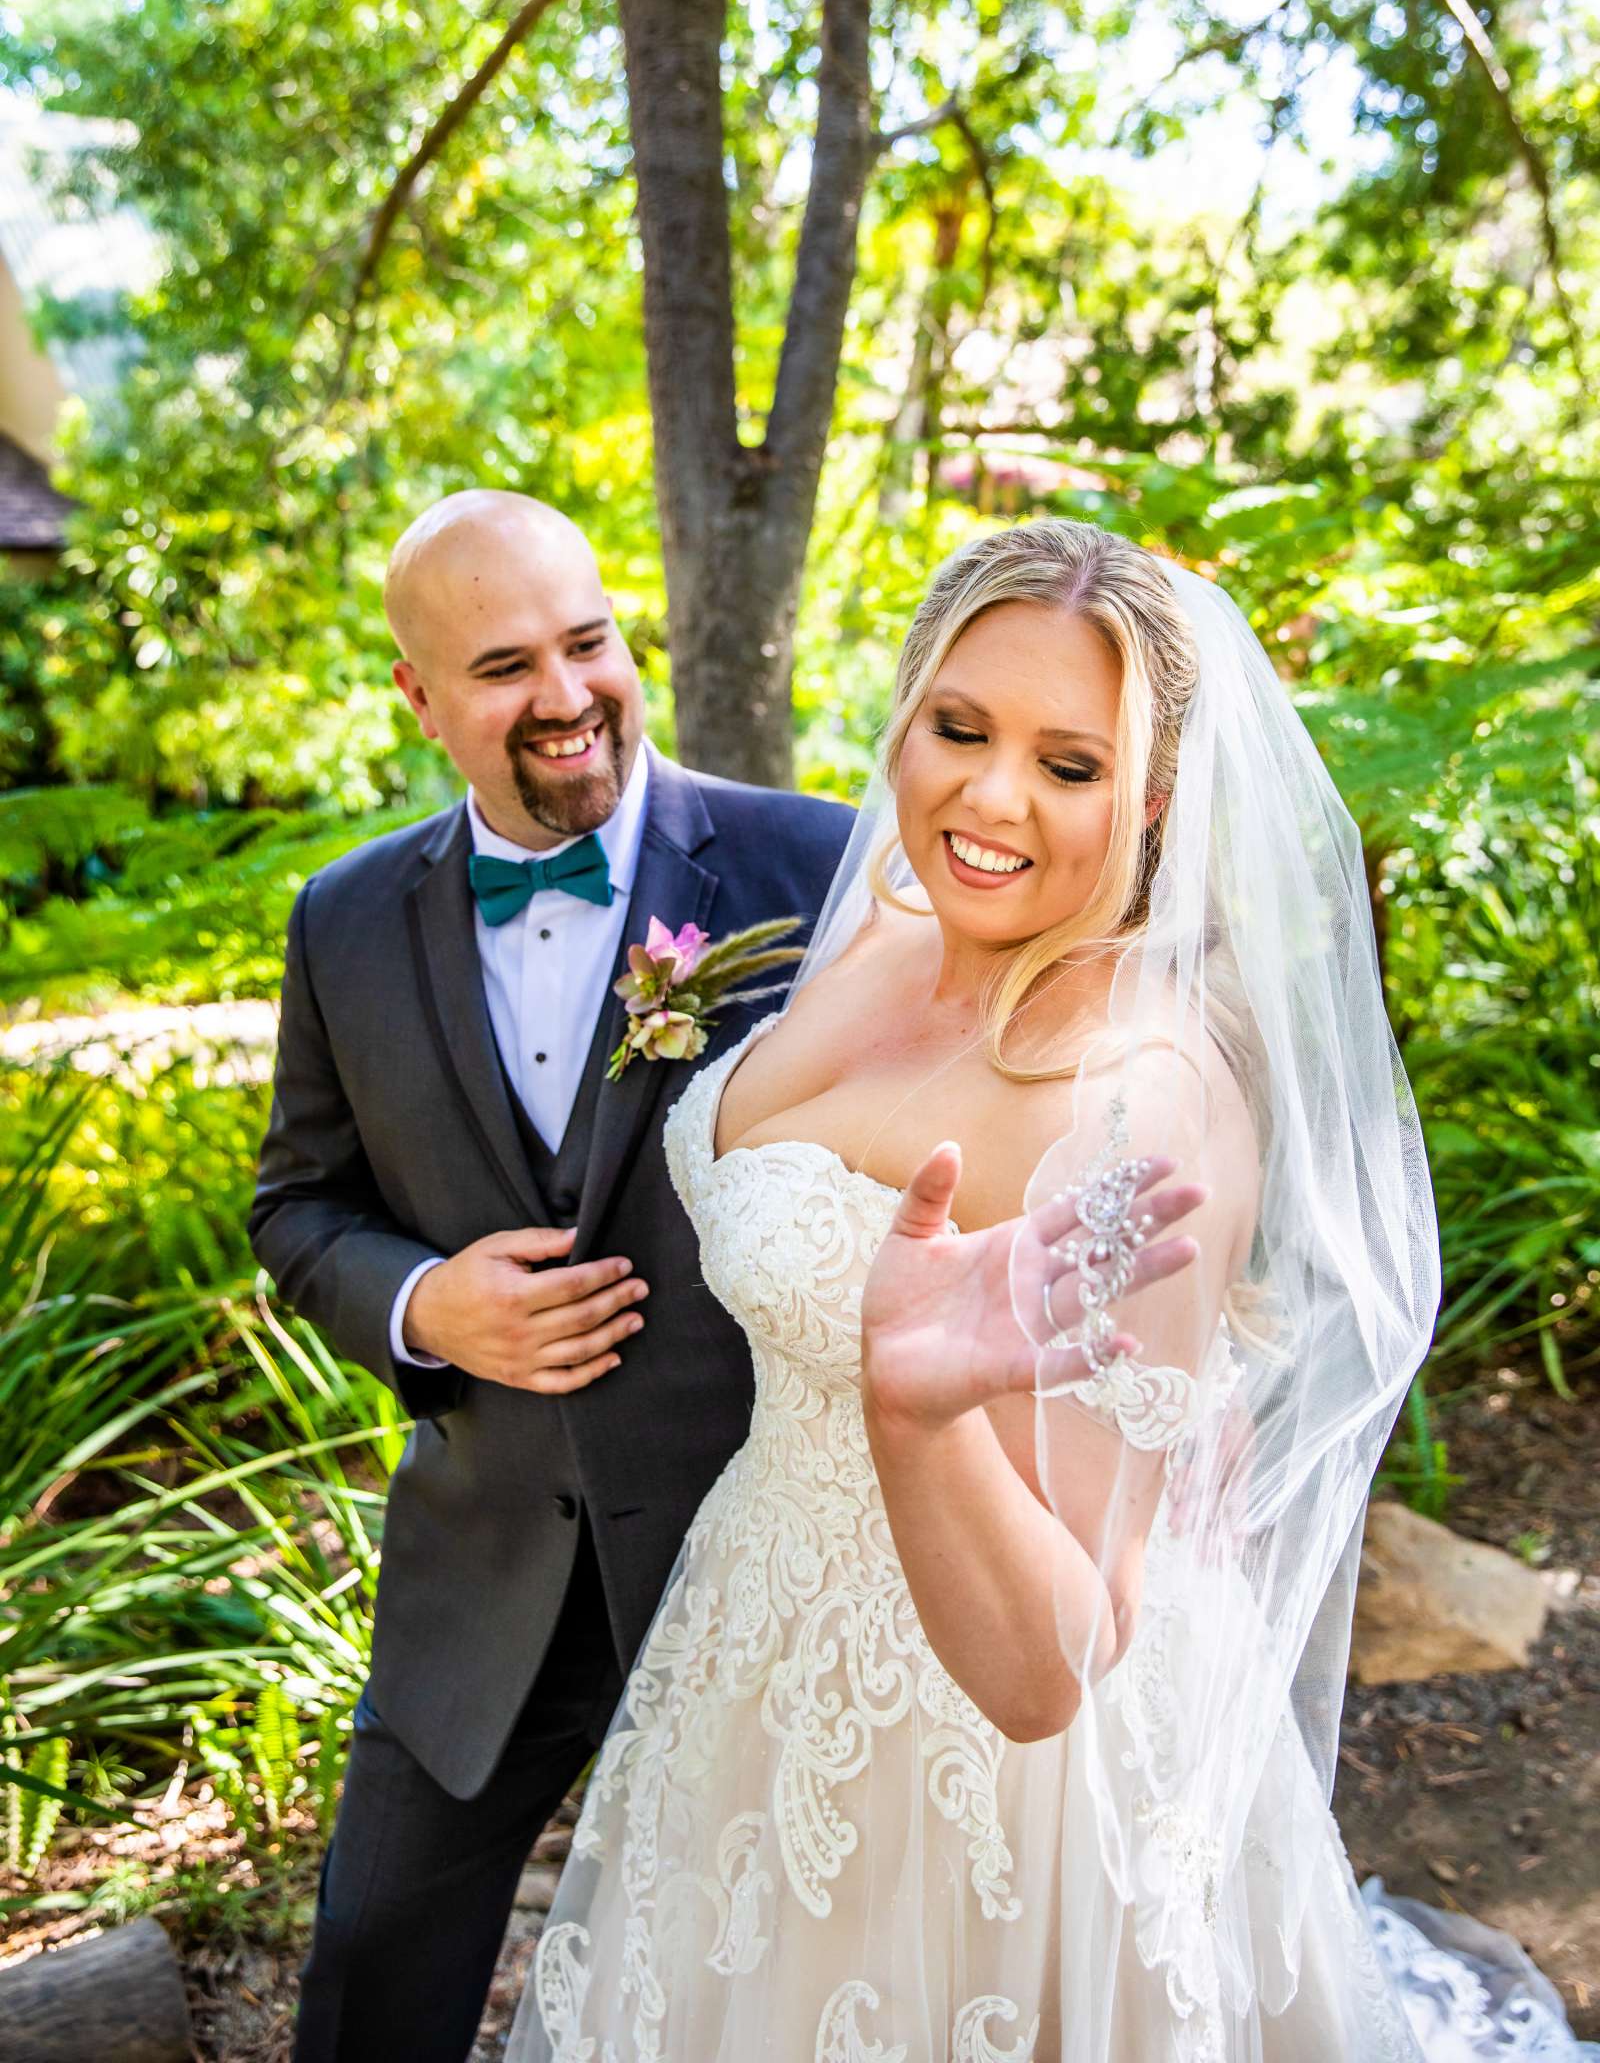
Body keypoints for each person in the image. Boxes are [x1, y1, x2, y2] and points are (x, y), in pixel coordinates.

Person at [510, 518, 1595, 2062]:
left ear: (1156, 799)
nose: (992, 798)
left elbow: (1053, 1666)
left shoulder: (1142, 1102)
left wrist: (922, 1408)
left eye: (1070, 765)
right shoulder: (885, 926)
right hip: (762, 1654)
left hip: (996, 1786)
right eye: (959, 729)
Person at [248, 489, 852, 2063]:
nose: (570, 695)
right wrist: (423, 1305)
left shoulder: (822, 868)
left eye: (589, 642)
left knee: (768, 1981)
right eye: (507, 667)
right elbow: (299, 1208)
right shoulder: (342, 924)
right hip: (483, 1560)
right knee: (373, 1961)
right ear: (420, 698)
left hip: (752, 1557)